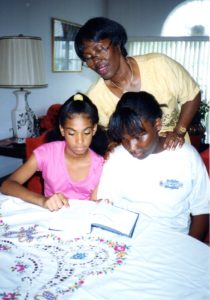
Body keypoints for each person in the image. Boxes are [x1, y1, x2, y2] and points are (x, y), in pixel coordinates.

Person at [96, 91, 210, 241]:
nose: (132, 147)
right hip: (126, 242)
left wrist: (191, 247)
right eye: (124, 138)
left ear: (157, 124)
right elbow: (106, 207)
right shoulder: (116, 157)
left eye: (139, 136)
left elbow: (202, 209)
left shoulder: (186, 157)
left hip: (174, 242)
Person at [74, 17, 201, 150]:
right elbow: (103, 134)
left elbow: (192, 95)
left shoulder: (159, 65)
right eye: (88, 58)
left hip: (177, 155)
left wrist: (178, 132)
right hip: (135, 164)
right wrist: (111, 143)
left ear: (117, 44)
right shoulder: (95, 97)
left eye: (100, 50)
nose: (95, 60)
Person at [1, 93, 105, 211]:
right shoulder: (47, 154)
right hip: (49, 219)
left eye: (86, 132)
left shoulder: (100, 165)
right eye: (71, 133)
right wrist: (43, 200)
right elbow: (7, 185)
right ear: (62, 130)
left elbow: (94, 206)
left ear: (94, 129)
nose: (80, 141)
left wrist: (101, 204)